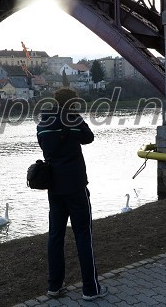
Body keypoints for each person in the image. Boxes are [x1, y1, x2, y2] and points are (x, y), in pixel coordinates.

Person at [36, 88, 108, 301]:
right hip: (75, 186)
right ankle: (90, 289)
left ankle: (54, 286)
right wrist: (72, 120)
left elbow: (45, 146)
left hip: (54, 186)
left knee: (55, 236)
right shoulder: (72, 119)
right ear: (72, 103)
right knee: (83, 235)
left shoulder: (43, 122)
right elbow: (88, 137)